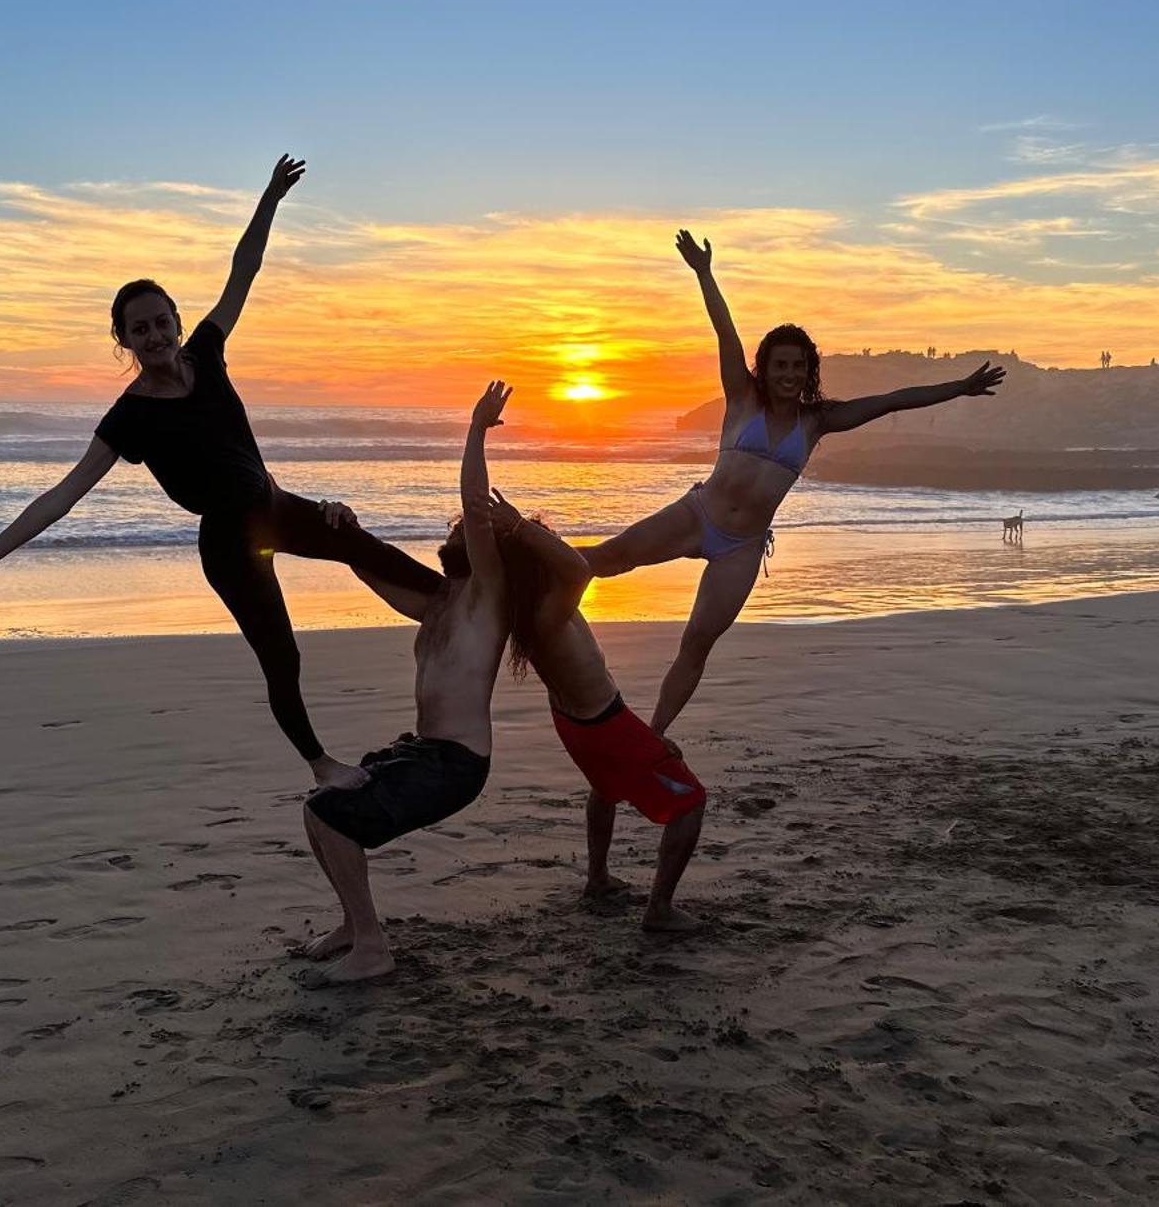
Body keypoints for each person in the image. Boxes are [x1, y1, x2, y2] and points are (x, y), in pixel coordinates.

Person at [0, 155, 443, 791]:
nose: (155, 335)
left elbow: (242, 271)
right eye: (139, 329)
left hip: (276, 505)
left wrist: (270, 200)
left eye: (161, 321)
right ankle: (321, 766)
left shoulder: (208, 354)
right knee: (283, 657)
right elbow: (59, 498)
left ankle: (456, 606)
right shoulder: (128, 418)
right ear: (124, 340)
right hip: (228, 544)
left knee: (360, 544)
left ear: (176, 320)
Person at [583, 229, 1006, 742]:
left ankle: (651, 737)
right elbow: (725, 334)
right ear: (765, 369)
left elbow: (895, 399)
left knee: (696, 643)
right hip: (697, 516)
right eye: (779, 365)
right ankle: (521, 580)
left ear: (809, 372)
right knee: (606, 560)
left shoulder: (818, 420)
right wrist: (705, 274)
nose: (788, 374)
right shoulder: (742, 398)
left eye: (797, 366)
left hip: (740, 548)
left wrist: (958, 388)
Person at [293, 381, 517, 983]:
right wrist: (346, 529)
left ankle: (372, 947)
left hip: (457, 763)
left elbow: (473, 504)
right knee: (320, 812)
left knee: (337, 821)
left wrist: (475, 429)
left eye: (457, 534)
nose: (447, 538)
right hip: (421, 750)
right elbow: (368, 567)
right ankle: (352, 925)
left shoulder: (487, 602)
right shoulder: (439, 602)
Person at [487, 488, 706, 933]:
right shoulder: (549, 610)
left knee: (605, 787)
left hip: (575, 723)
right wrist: (518, 526)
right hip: (603, 723)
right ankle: (659, 910)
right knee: (690, 802)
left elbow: (573, 561)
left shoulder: (526, 609)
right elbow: (579, 568)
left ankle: (598, 879)